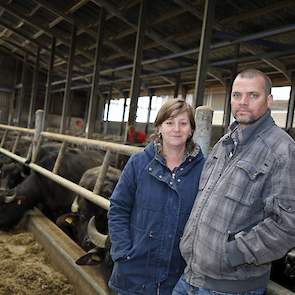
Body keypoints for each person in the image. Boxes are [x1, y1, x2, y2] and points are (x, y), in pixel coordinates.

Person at [172, 69, 295, 295]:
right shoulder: (225, 142)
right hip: (191, 274)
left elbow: (288, 223)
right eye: (237, 95)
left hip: (230, 287)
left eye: (253, 95)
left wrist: (233, 253)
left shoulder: (281, 150)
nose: (243, 102)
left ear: (269, 100)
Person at [108, 99, 205, 294]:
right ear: (159, 127)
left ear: (191, 130)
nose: (176, 129)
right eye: (169, 123)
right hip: (135, 269)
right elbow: (118, 208)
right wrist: (122, 253)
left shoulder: (204, 169)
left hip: (178, 275)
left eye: (183, 123)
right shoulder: (138, 163)